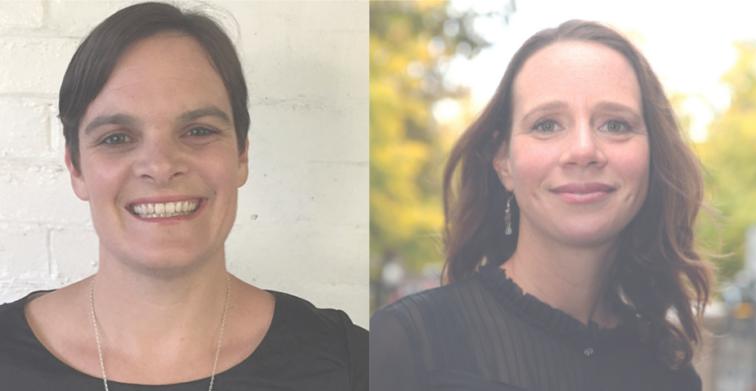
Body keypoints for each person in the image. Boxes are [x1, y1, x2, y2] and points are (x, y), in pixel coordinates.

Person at [0, 3, 367, 390]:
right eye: (117, 138)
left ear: (241, 154)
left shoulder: (353, 363)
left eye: (198, 131)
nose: (160, 166)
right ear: (76, 168)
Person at [370, 20, 713, 391]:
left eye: (615, 124)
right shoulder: (406, 346)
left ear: (651, 156)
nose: (583, 150)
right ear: (504, 162)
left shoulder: (669, 373)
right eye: (547, 125)